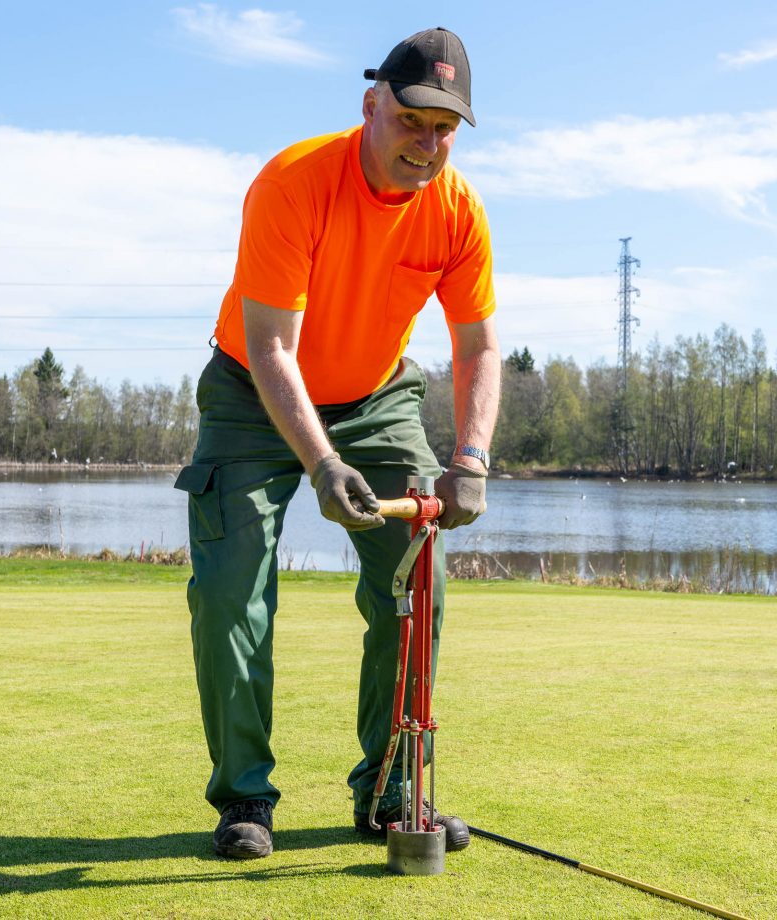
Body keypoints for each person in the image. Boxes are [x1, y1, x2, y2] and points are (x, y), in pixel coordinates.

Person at [175, 26, 500, 861]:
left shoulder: (458, 211)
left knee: (412, 580)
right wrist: (321, 464)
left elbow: (477, 346)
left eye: (444, 130)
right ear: (372, 104)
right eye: (411, 121)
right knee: (230, 593)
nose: (426, 146)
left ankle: (391, 793)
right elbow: (274, 346)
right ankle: (244, 796)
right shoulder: (294, 183)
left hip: (378, 396)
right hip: (256, 392)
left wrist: (470, 459)